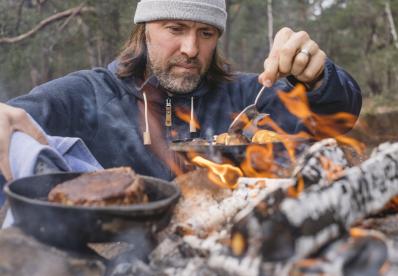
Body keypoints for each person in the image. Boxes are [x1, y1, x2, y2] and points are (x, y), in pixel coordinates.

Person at [0, 0, 362, 182]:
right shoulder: (90, 93)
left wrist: (317, 78)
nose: (191, 48)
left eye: (206, 34)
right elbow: (14, 120)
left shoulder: (243, 94)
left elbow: (333, 116)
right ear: (144, 30)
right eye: (175, 28)